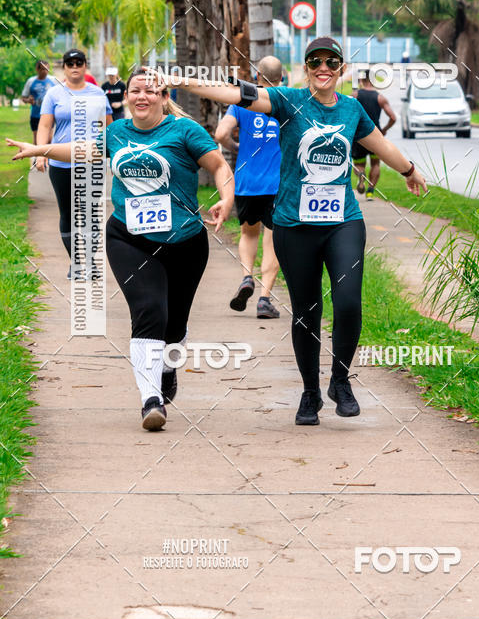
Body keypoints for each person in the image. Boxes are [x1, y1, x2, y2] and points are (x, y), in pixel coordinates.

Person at [152, 36, 428, 427]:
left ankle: (340, 381)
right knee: (307, 311)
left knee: (348, 302)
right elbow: (237, 94)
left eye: (331, 62)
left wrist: (409, 171)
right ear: (305, 67)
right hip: (294, 225)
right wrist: (181, 82)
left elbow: (379, 144)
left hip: (342, 222)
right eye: (315, 61)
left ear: (341, 69)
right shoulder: (288, 101)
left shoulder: (351, 110)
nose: (323, 68)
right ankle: (310, 392)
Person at [8, 69, 234, 432]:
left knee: (174, 326)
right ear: (125, 96)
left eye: (150, 90)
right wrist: (41, 148)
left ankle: (165, 368)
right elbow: (84, 150)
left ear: (163, 96)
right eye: (135, 91)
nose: (142, 96)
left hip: (185, 242)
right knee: (149, 311)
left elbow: (220, 165)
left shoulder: (184, 130)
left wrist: (226, 198)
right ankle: (150, 400)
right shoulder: (116, 133)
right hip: (128, 237)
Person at [215, 56, 282, 319]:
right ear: (281, 78)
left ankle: (246, 277)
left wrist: (236, 148)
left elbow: (221, 134)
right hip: (277, 184)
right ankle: (264, 299)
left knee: (248, 233)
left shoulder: (243, 102)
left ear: (257, 76)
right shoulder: (285, 101)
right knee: (272, 239)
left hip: (247, 183)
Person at [36, 49, 113, 277]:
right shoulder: (53, 94)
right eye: (70, 63)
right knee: (68, 214)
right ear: (65, 67)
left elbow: (109, 127)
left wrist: (114, 154)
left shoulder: (98, 93)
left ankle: (91, 262)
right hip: (61, 165)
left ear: (85, 66)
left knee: (90, 214)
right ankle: (77, 263)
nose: (75, 66)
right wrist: (41, 153)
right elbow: (44, 126)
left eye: (79, 62)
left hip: (92, 163)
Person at [352, 70, 397, 200]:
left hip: (359, 137)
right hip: (375, 136)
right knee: (375, 164)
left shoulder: (355, 95)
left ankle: (361, 177)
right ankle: (370, 191)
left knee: (359, 165)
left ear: (361, 81)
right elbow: (393, 117)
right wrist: (384, 129)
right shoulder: (380, 98)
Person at [21, 60, 58, 143]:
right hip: (35, 115)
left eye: (47, 69)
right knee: (37, 140)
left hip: (49, 115)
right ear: (37, 70)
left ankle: (47, 156)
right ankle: (36, 155)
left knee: (49, 139)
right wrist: (28, 100)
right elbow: (23, 97)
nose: (45, 71)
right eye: (43, 69)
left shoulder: (54, 81)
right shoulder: (31, 81)